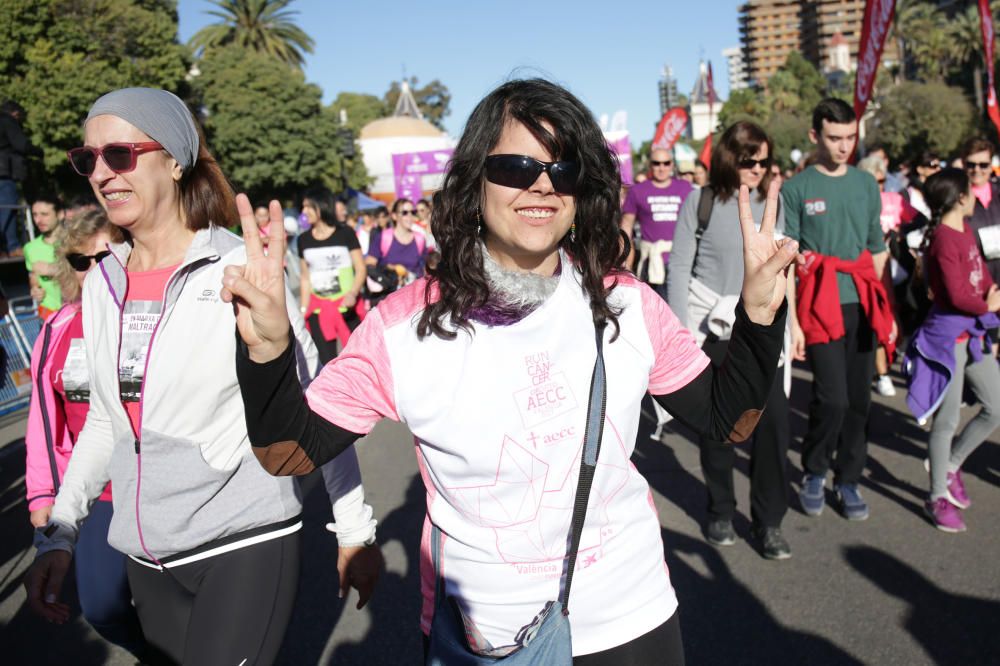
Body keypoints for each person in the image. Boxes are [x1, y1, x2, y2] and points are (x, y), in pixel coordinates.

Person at [223, 78, 799, 664]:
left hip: (633, 615)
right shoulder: (404, 327)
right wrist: (266, 353)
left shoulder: (626, 303)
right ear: (474, 182)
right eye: (517, 166)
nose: (543, 184)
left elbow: (729, 420)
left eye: (563, 168)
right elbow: (288, 451)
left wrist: (758, 315)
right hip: (487, 635)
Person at [23, 87, 380, 665]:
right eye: (87, 159)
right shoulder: (103, 284)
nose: (101, 173)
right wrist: (61, 528)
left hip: (245, 538)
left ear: (175, 159)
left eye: (119, 153)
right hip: (148, 554)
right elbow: (107, 427)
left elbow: (315, 408)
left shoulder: (242, 269)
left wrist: (354, 530)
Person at [24, 208, 147, 657]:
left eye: (106, 256)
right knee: (102, 607)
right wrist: (41, 496)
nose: (94, 270)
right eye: (81, 261)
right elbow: (40, 420)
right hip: (94, 489)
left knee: (169, 608)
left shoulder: (149, 314)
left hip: (155, 482)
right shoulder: (55, 329)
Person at [666, 121, 792, 560]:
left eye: (764, 160)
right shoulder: (699, 201)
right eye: (748, 160)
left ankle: (769, 521)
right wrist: (678, 335)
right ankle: (720, 509)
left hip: (763, 328)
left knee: (774, 425)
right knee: (719, 428)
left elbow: (784, 273)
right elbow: (678, 268)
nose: (757, 168)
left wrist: (793, 331)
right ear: (727, 157)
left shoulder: (776, 203)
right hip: (708, 328)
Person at [782, 98, 895, 522]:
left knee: (859, 402)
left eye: (850, 137)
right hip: (818, 305)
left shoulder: (867, 185)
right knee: (832, 399)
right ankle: (814, 469)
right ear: (815, 136)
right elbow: (789, 261)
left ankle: (848, 479)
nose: (844, 145)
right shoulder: (797, 188)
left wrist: (889, 309)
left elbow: (878, 250)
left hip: (864, 302)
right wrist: (792, 323)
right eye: (834, 137)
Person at [904, 168, 1000, 532]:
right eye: (971, 191)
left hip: (973, 334)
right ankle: (936, 496)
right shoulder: (943, 239)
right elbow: (958, 294)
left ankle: (949, 464)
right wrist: (988, 306)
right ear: (960, 197)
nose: (976, 194)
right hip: (948, 339)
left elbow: (981, 275)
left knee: (996, 407)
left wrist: (992, 295)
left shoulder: (966, 231)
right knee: (946, 422)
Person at [857, 155, 918, 397]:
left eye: (882, 181)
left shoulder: (894, 199)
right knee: (875, 321)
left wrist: (898, 233)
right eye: (873, 181)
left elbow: (920, 219)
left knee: (899, 316)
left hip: (895, 270)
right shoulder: (856, 204)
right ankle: (881, 373)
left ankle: (896, 357)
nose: (879, 186)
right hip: (865, 271)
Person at [298, 188, 367, 365]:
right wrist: (303, 311)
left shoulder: (345, 233)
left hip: (347, 306)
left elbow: (360, 268)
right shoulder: (303, 239)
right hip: (319, 310)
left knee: (358, 358)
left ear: (321, 206)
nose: (304, 212)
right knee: (327, 363)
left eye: (308, 207)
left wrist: (352, 293)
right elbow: (305, 278)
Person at [620, 146, 694, 298]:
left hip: (682, 261)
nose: (662, 168)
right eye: (657, 163)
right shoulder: (637, 191)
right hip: (651, 263)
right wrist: (625, 262)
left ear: (672, 165)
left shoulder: (686, 188)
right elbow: (626, 226)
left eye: (666, 163)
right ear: (650, 165)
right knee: (656, 314)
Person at [961, 137, 1000, 287]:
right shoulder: (956, 200)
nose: (977, 170)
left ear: (991, 166)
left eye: (983, 165)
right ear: (963, 165)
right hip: (977, 283)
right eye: (971, 164)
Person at [0, 100, 37, 257]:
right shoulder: (7, 121)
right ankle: (12, 246)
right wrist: (37, 152)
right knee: (8, 209)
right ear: (14, 113)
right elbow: (21, 144)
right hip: (4, 173)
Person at [366, 198, 428, 283]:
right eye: (405, 213)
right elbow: (369, 264)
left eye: (412, 212)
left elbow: (426, 269)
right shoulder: (383, 237)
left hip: (413, 293)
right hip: (388, 292)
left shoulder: (420, 239)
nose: (410, 216)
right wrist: (391, 268)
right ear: (394, 216)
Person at [24, 195, 65, 319]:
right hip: (47, 315)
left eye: (44, 214)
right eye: (35, 214)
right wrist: (35, 289)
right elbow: (33, 276)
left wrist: (52, 269)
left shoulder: (76, 242)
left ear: (60, 214)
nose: (38, 220)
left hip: (77, 313)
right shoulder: (30, 247)